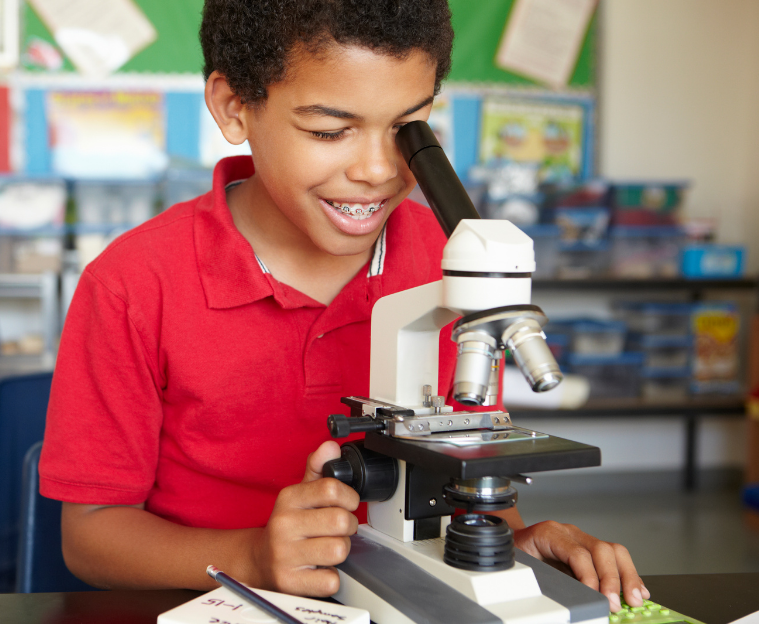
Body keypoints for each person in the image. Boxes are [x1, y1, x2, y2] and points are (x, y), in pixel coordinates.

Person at [40, 0, 648, 613]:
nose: (378, 170)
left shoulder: (448, 255)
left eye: (408, 128)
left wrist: (512, 545)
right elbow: (90, 538)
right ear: (234, 107)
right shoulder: (134, 283)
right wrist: (253, 556)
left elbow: (467, 451)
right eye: (330, 131)